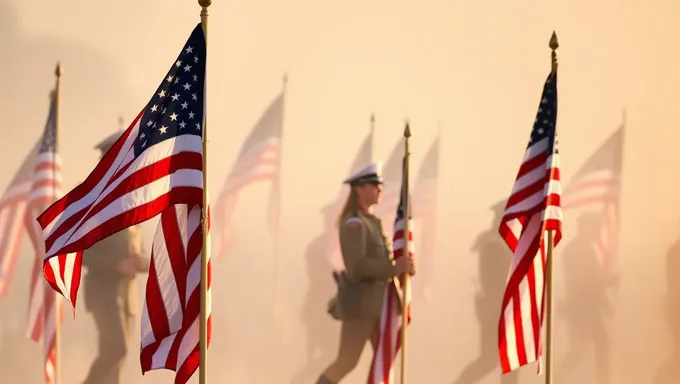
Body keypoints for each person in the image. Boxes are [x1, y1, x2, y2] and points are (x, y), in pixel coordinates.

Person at [315, 162, 416, 384]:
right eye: (373, 185)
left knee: (385, 360)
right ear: (359, 189)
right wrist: (393, 268)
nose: (379, 190)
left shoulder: (371, 222)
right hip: (361, 305)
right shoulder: (354, 223)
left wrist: (401, 267)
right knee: (347, 361)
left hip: (381, 304)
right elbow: (357, 265)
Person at [81, 130, 149, 384]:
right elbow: (83, 253)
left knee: (116, 362)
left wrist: (142, 262)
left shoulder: (133, 199)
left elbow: (138, 247)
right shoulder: (92, 201)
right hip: (104, 291)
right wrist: (116, 265)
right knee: (116, 349)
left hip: (127, 296)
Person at [452, 201, 520, 384]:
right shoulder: (495, 242)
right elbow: (496, 277)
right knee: (494, 359)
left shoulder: (503, 240)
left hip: (500, 304)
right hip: (496, 305)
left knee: (508, 359)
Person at [557, 212, 617, 383]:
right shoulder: (577, 250)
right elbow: (584, 281)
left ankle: (556, 379)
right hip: (582, 307)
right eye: (594, 228)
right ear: (584, 228)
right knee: (596, 346)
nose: (597, 233)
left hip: (584, 307)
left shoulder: (580, 249)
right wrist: (609, 281)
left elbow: (591, 280)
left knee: (581, 350)